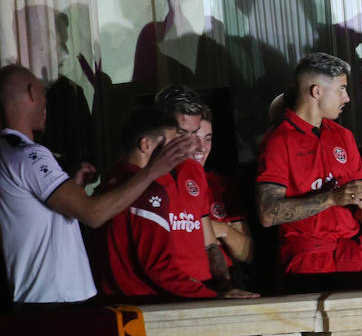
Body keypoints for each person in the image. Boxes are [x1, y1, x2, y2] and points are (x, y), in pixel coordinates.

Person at [0, 64, 196, 305]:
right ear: (31, 93)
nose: (45, 104)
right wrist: (154, 170)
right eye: (43, 93)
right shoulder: (28, 155)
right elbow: (93, 214)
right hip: (55, 300)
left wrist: (73, 186)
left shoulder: (8, 152)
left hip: (40, 298)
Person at [98, 107, 257, 299]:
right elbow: (157, 266)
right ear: (146, 145)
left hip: (121, 300)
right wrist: (210, 296)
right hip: (147, 302)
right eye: (173, 143)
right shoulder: (145, 189)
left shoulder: (112, 183)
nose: (183, 150)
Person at [256, 53, 362, 284]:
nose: (346, 98)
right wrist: (333, 198)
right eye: (341, 89)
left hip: (351, 257)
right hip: (307, 263)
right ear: (317, 91)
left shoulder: (343, 136)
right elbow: (267, 214)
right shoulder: (278, 140)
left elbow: (359, 213)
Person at [153, 84, 228, 287]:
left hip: (202, 291)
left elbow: (210, 243)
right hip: (164, 294)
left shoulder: (194, 171)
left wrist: (225, 287)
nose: (193, 144)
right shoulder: (141, 175)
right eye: (182, 133)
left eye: (195, 133)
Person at [193, 113, 254, 268]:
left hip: (226, 281)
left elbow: (246, 253)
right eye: (194, 138)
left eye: (207, 138)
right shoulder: (163, 185)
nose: (201, 147)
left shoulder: (219, 183)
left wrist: (222, 229)